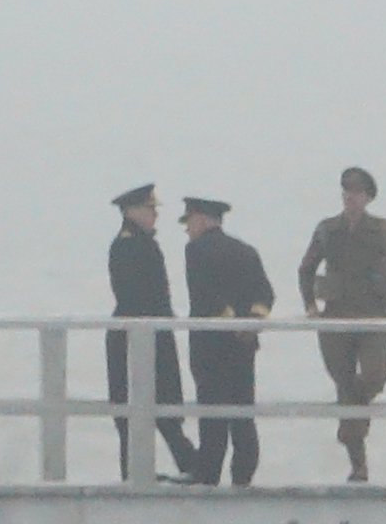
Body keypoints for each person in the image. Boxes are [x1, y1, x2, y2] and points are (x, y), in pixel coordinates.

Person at [298, 166, 386, 483]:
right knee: (345, 387)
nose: (351, 198)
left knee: (374, 376)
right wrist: (310, 305)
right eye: (347, 192)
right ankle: (358, 465)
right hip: (335, 320)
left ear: (367, 197)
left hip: (372, 319)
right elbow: (306, 268)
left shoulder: (382, 230)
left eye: (357, 193)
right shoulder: (327, 229)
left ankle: (349, 427)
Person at [105, 184, 198, 483]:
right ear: (131, 211)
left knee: (166, 404)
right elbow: (135, 295)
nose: (155, 214)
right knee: (137, 407)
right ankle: (150, 469)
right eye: (150, 208)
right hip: (137, 335)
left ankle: (187, 465)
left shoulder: (141, 242)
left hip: (153, 332)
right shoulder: (129, 244)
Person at [181, 196, 275, 487]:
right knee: (243, 413)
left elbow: (204, 294)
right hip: (243, 346)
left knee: (212, 416)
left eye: (189, 221)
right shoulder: (246, 251)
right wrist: (252, 321)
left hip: (210, 346)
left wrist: (229, 320)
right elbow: (265, 293)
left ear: (201, 219)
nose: (187, 229)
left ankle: (208, 478)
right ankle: (243, 476)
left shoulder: (195, 250)